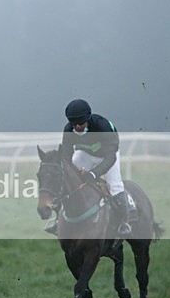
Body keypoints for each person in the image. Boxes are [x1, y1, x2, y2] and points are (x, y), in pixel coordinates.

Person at [44, 98, 134, 236]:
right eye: (74, 124)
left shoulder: (102, 126)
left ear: (88, 119)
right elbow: (66, 158)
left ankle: (124, 221)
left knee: (114, 185)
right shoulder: (69, 130)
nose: (77, 127)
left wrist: (93, 174)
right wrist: (74, 171)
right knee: (67, 179)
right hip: (85, 154)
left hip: (108, 155)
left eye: (80, 123)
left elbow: (111, 158)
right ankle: (58, 220)